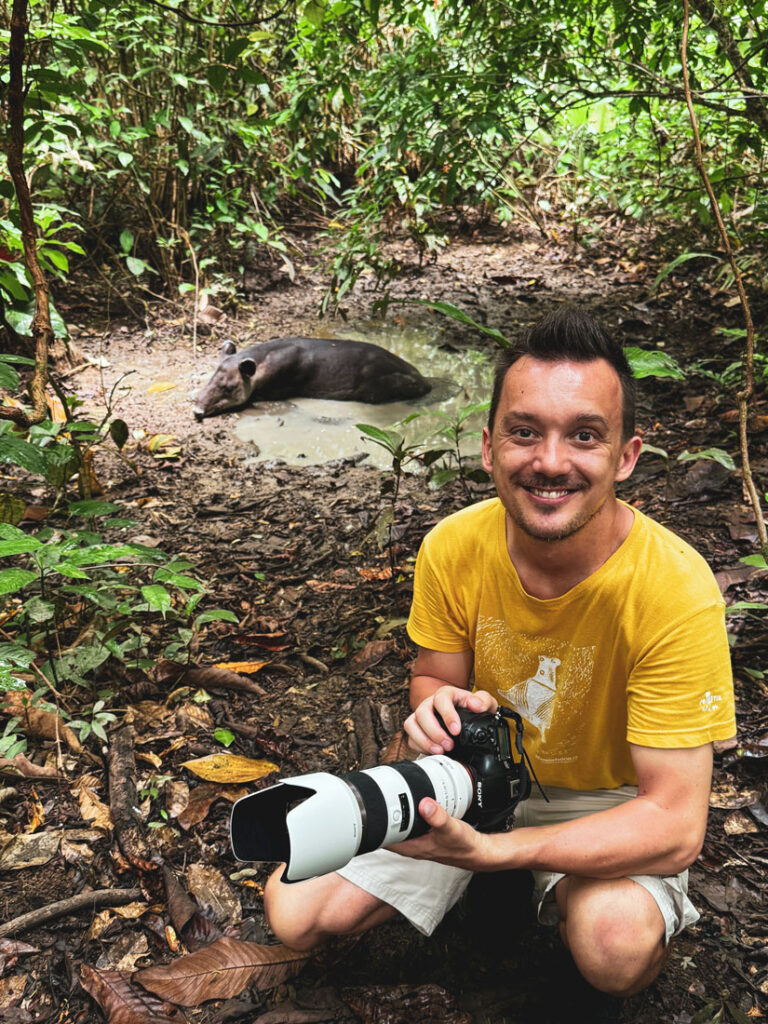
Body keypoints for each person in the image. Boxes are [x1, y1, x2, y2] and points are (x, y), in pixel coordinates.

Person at [263, 305, 736, 999]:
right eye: (525, 432)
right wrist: (433, 708)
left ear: (625, 456)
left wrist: (498, 853)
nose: (550, 462)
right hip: (477, 775)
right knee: (298, 914)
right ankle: (490, 875)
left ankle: (519, 881)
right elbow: (432, 678)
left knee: (616, 946)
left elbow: (674, 822)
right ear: (489, 448)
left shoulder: (674, 588)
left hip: (610, 801)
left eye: (583, 436)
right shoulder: (454, 546)